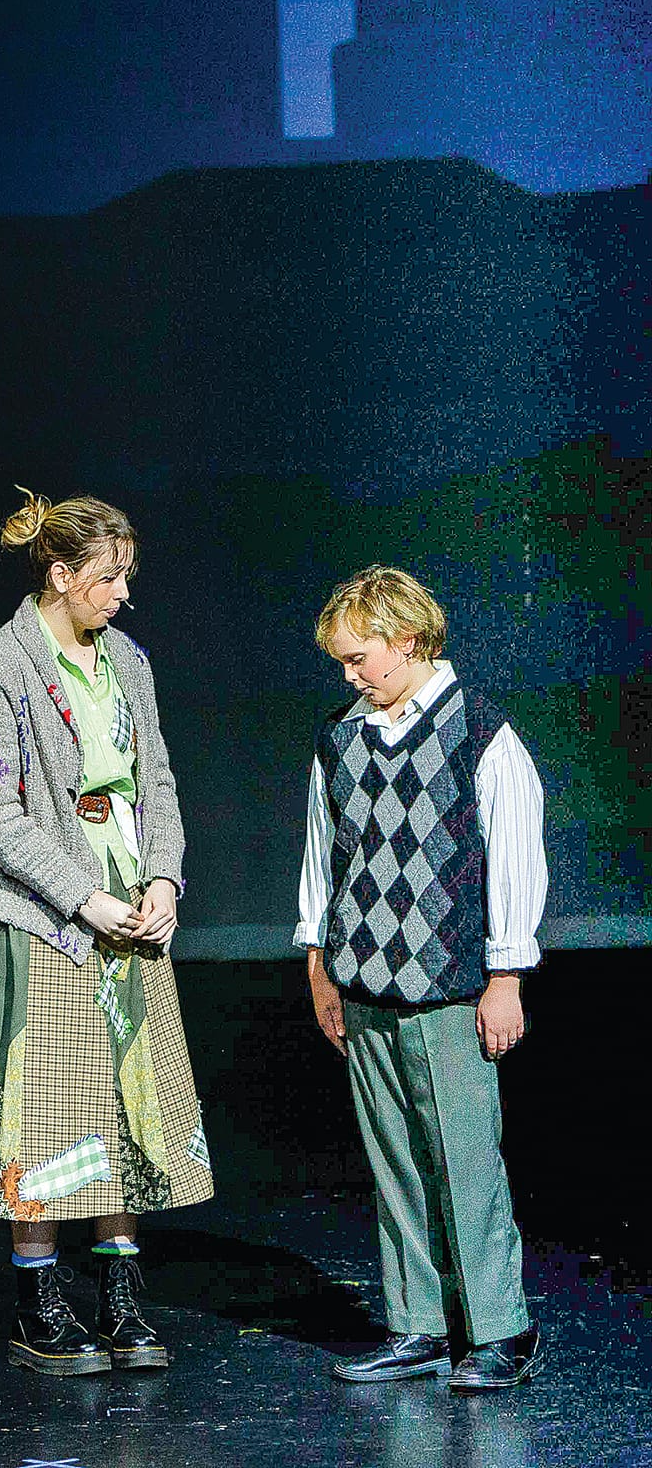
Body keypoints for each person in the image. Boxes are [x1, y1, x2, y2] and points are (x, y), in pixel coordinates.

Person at [0, 488, 212, 1376]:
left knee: (127, 1106)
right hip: (46, 918)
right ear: (59, 576)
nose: (121, 594)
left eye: (125, 576)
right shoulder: (2, 666)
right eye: (106, 578)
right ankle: (37, 1299)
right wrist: (79, 896)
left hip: (132, 908)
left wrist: (164, 877)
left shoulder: (127, 661)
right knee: (47, 1109)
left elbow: (160, 782)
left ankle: (123, 1298)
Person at [298, 565, 545, 1392]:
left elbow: (515, 858)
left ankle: (501, 1328)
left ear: (407, 641)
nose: (350, 673)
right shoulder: (339, 738)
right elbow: (322, 858)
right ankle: (417, 1325)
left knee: (464, 1159)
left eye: (360, 657)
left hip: (448, 983)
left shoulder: (481, 732)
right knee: (394, 1157)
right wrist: (318, 961)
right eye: (342, 661)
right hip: (364, 976)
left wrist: (505, 974)